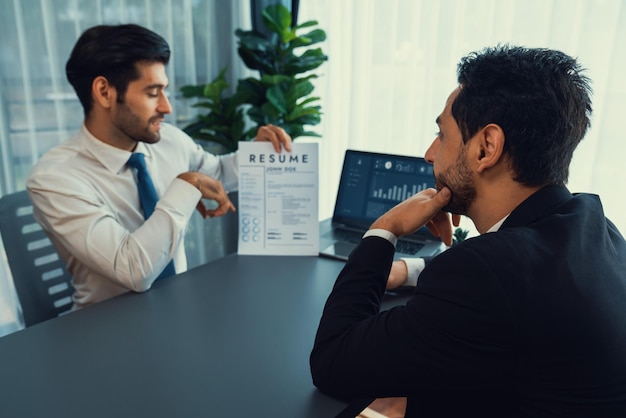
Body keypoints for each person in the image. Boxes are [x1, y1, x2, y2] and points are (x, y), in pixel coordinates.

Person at [310, 45, 626, 417]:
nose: (430, 154)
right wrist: (409, 270)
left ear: (485, 148)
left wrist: (385, 229)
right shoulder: (593, 224)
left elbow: (333, 361)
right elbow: (513, 290)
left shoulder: (485, 273)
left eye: (441, 134)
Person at [26, 24, 291, 309]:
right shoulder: (55, 179)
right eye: (153, 93)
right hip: (106, 333)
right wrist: (187, 186)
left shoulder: (169, 140)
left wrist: (258, 152)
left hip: (181, 311)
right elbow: (133, 269)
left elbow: (217, 176)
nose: (167, 108)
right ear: (104, 92)